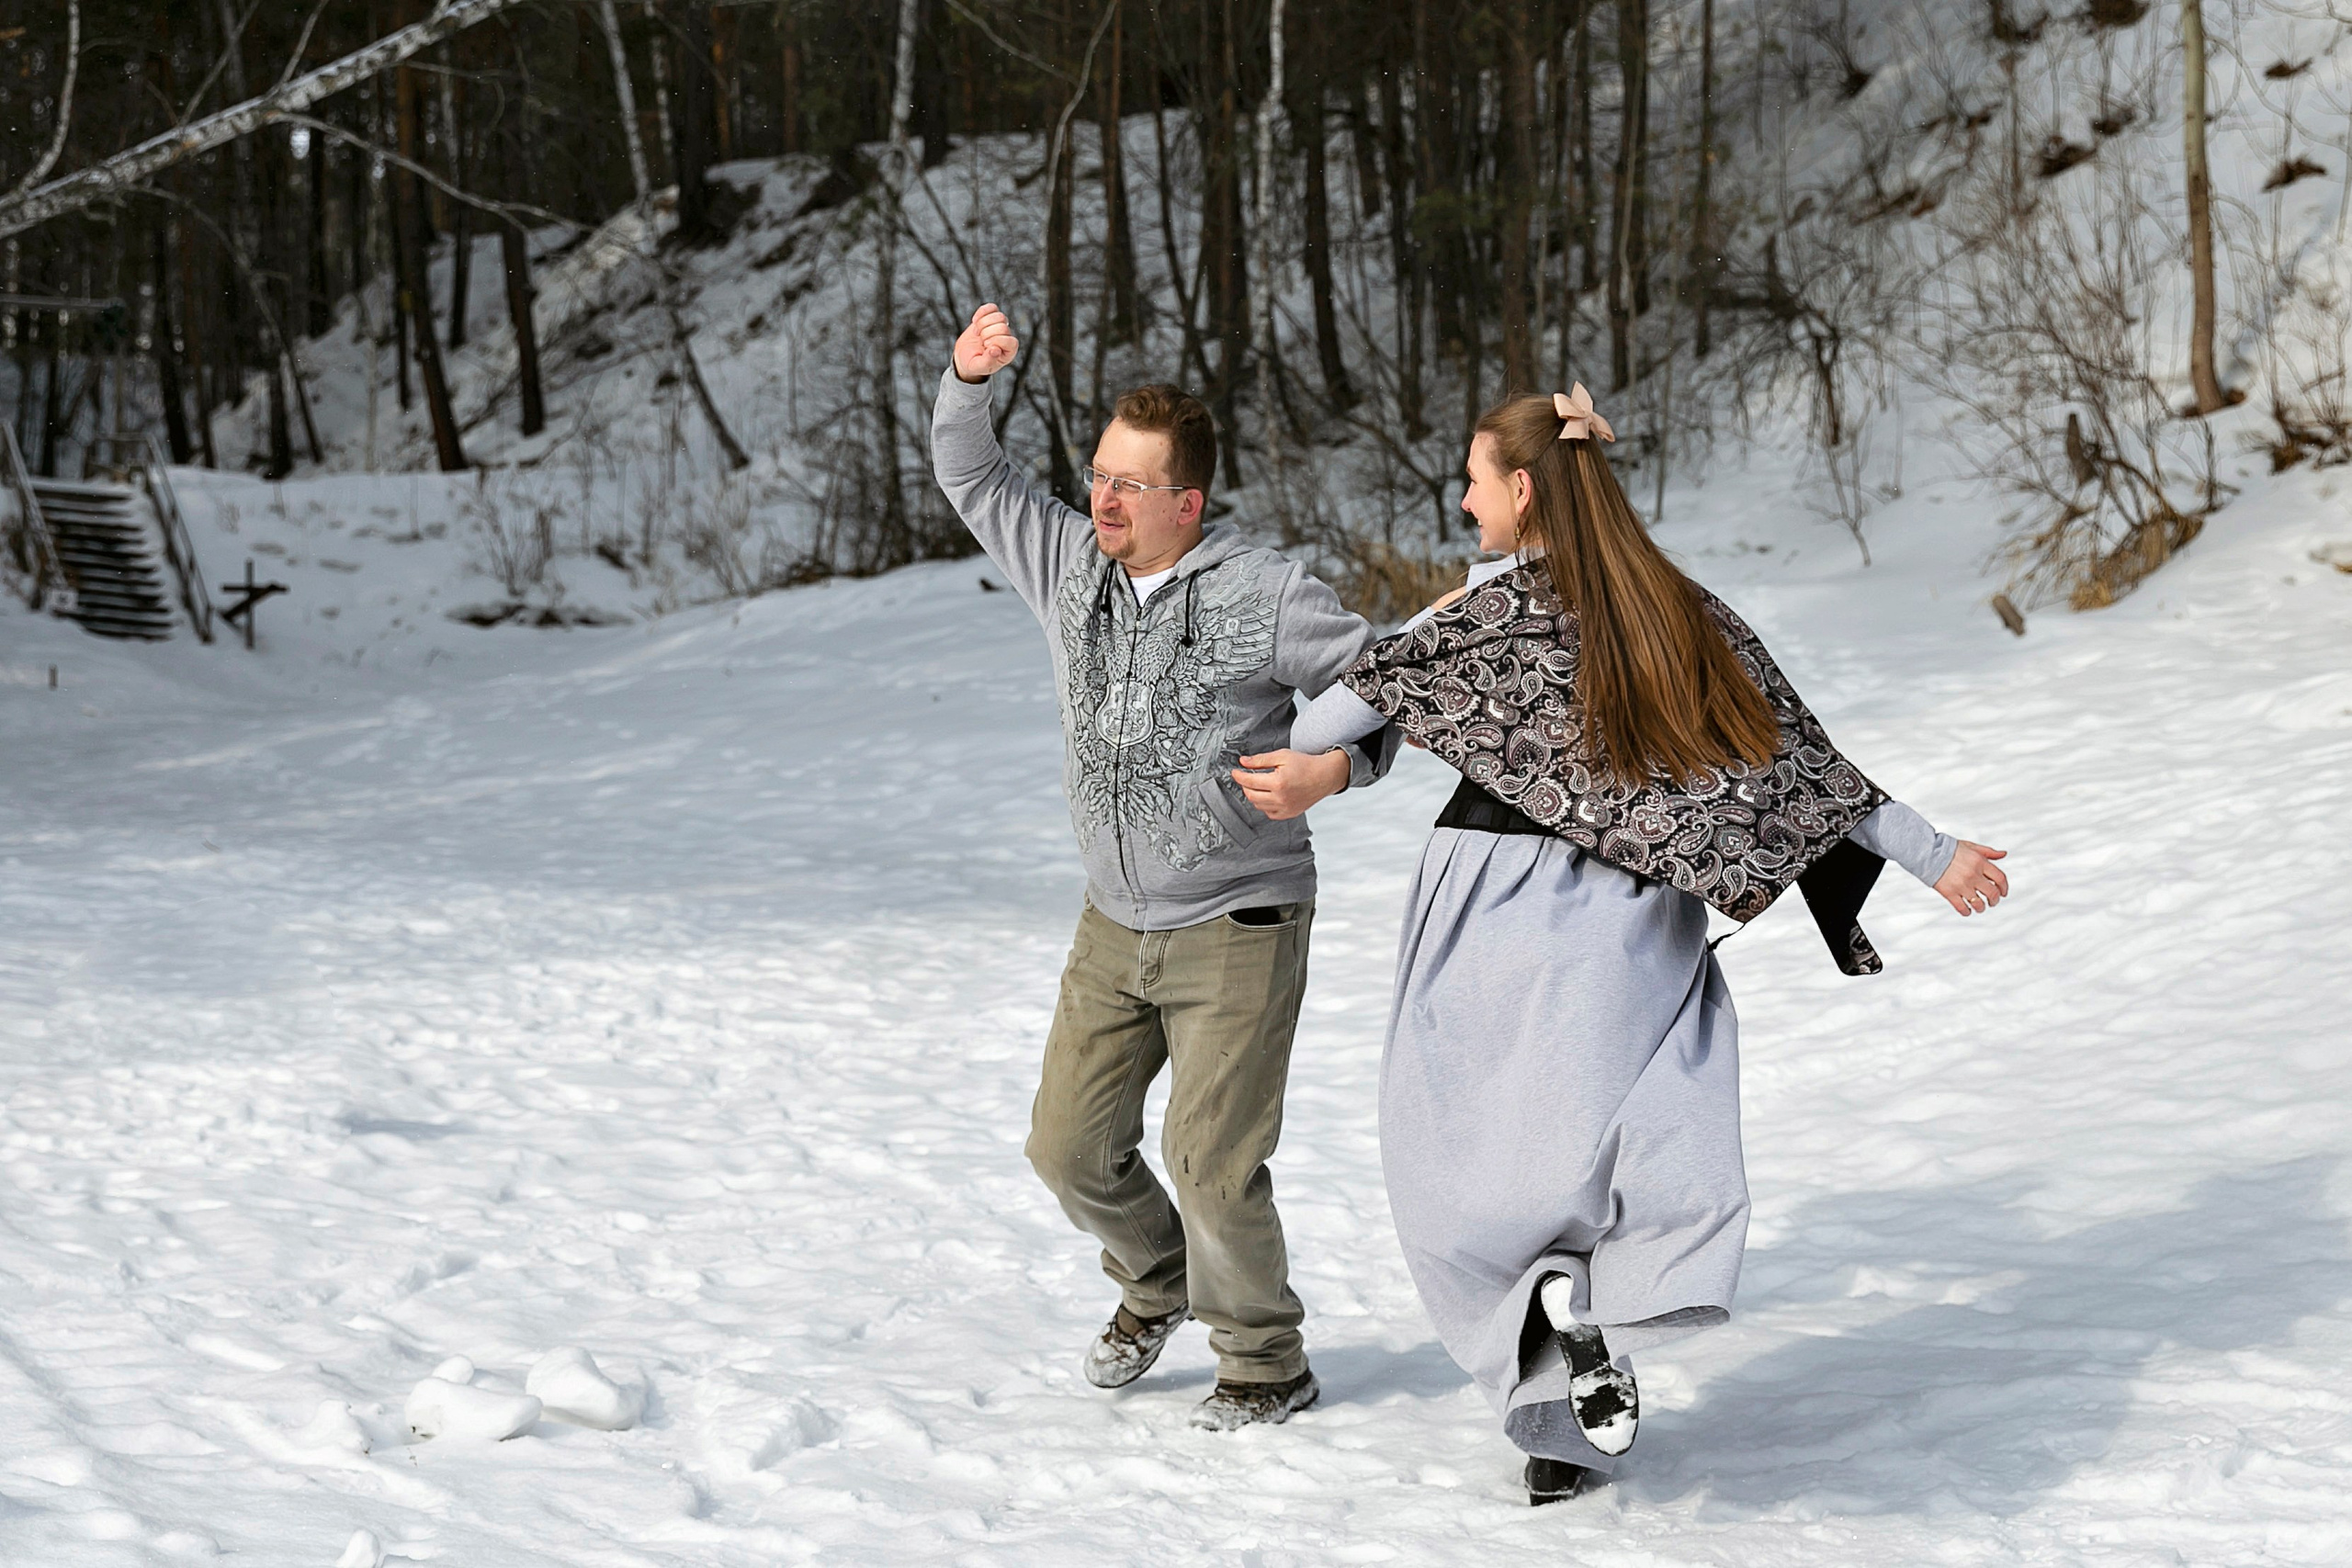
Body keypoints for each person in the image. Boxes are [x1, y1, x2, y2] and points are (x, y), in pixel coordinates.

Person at [1283, 388, 2012, 1503]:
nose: (1465, 502)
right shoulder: (1676, 610)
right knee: (1637, 1140)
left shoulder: (1480, 617)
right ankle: (1575, 1381)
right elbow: (1802, 765)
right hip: (1632, 918)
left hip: (1489, 902)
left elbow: (1321, 724)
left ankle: (1547, 1335)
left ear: (1521, 490)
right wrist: (1935, 854)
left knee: (1461, 1147)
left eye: (1473, 482)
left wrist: (1423, 633)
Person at [930, 303, 1398, 1428]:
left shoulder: (1264, 593)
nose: (1102, 499)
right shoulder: (1069, 568)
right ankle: (1158, 1279)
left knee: (1210, 1163)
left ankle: (1264, 1362)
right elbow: (972, 475)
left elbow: (1387, 683)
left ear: (1186, 502)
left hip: (1239, 917)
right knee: (1067, 1147)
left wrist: (1331, 771)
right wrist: (967, 380)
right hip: (1113, 921)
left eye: (1130, 485)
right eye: (1098, 474)